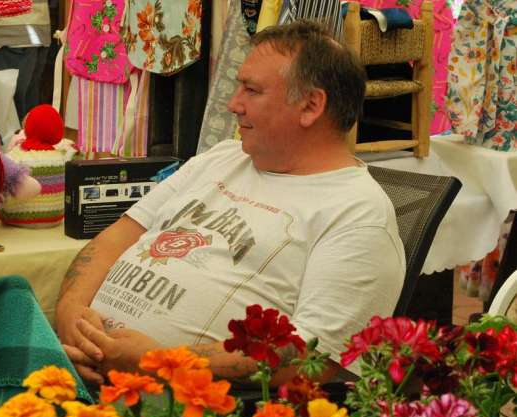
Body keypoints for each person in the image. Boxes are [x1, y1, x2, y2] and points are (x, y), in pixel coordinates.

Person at [55, 20, 406, 386]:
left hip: (183, 405)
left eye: (251, 90)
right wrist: (71, 311)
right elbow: (116, 238)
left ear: (311, 105)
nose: (233, 104)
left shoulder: (357, 214)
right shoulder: (223, 157)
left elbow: (311, 356)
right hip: (81, 368)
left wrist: (160, 363)